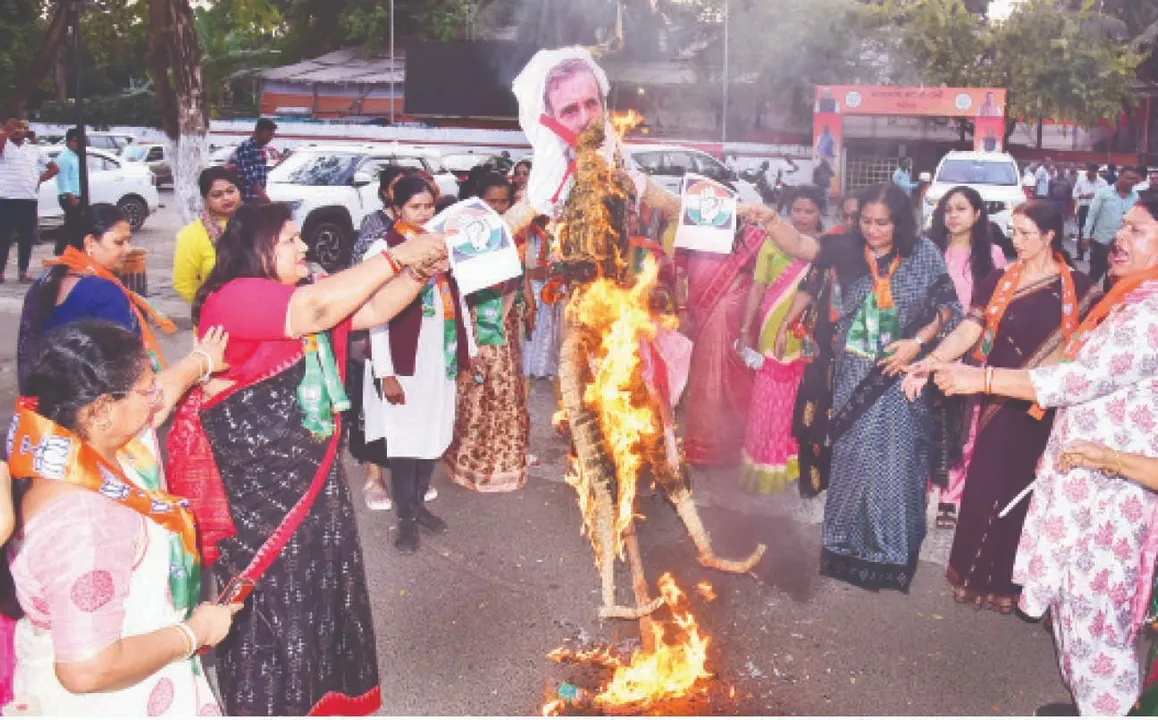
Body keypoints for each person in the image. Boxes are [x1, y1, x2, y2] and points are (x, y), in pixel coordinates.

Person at [168, 201, 447, 715]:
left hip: (315, 484)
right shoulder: (234, 298)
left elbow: (370, 311)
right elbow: (320, 309)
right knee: (272, 611)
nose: (303, 247)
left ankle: (321, 702)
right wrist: (399, 253)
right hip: (262, 497)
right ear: (258, 247)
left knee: (321, 598)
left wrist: (420, 274)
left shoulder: (293, 295)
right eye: (291, 239)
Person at [929, 192, 1158, 716]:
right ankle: (1091, 702)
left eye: (1137, 230)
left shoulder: (1150, 314)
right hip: (1081, 479)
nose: (1119, 239)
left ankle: (1109, 706)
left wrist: (979, 377)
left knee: (1098, 618)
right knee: (1073, 611)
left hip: (1110, 494)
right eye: (1121, 227)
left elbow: (1078, 378)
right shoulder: (1129, 299)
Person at [7, 319, 237, 715]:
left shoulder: (64, 443)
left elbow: (162, 393)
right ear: (100, 409)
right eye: (144, 387)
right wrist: (195, 632)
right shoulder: (85, 522)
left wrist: (201, 361)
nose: (154, 397)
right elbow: (87, 669)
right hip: (112, 700)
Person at [756, 183, 961, 591]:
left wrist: (917, 342)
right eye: (866, 221)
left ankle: (892, 554)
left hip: (902, 371)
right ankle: (843, 547)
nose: (872, 230)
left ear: (900, 223)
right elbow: (800, 245)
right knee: (853, 455)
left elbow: (948, 308)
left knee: (896, 459)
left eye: (882, 223)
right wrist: (770, 221)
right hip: (854, 371)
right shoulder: (847, 248)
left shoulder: (923, 254)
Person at [904, 200, 1095, 614]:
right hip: (994, 400)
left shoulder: (1079, 288)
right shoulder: (998, 280)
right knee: (987, 484)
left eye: (1027, 234)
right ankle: (973, 579)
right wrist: (933, 360)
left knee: (1026, 493)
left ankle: (1014, 587)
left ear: (1050, 236)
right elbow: (972, 329)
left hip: (1042, 406)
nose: (1018, 241)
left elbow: (1086, 353)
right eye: (1014, 232)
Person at [360, 176, 476, 551]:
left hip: (438, 354)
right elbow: (374, 313)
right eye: (415, 207)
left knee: (434, 435)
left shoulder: (444, 243)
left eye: (429, 206)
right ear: (397, 208)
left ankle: (418, 507)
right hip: (402, 359)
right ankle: (405, 518)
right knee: (405, 440)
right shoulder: (384, 248)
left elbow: (457, 301)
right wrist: (385, 372)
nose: (424, 214)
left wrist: (466, 351)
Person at [16, 204, 175, 394]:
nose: (128, 249)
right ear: (90, 242)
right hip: (90, 408)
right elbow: (127, 366)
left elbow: (27, 350)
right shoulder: (104, 292)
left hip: (44, 403)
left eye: (128, 241)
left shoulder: (46, 278)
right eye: (119, 242)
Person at [925, 186, 1007, 528]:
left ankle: (950, 498)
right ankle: (922, 489)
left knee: (964, 427)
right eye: (948, 209)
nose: (953, 216)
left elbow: (996, 312)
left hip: (972, 353)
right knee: (928, 421)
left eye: (961, 208)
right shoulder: (929, 251)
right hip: (931, 347)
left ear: (977, 214)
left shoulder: (994, 256)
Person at [445, 173, 530, 492]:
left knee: (504, 387)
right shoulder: (462, 236)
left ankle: (503, 465)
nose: (497, 208)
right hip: (471, 320)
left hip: (503, 323)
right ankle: (468, 463)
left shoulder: (514, 237)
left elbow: (516, 283)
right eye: (490, 201)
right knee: (477, 388)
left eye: (503, 202)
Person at [737, 185, 824, 493]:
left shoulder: (822, 250)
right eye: (797, 210)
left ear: (820, 214)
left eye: (809, 211)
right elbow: (758, 288)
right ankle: (764, 463)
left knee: (797, 401)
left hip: (807, 333)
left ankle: (792, 462)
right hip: (771, 329)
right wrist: (746, 329)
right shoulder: (771, 244)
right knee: (768, 397)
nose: (802, 217)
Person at [782, 194, 860, 497]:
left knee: (849, 410)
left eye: (861, 217)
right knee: (813, 405)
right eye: (850, 216)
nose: (855, 223)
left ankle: (847, 484)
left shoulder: (880, 251)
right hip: (823, 341)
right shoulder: (833, 243)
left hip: (858, 347)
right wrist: (787, 322)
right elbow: (810, 285)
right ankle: (813, 481)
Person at [349, 164, 414, 511]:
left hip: (413, 332)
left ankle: (407, 477)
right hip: (373, 326)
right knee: (373, 409)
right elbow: (361, 281)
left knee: (404, 409)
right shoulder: (377, 232)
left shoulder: (426, 235)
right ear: (390, 194)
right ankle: (374, 478)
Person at [679, 221, 763, 467]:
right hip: (704, 309)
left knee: (736, 371)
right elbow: (681, 270)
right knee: (706, 373)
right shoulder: (692, 229)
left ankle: (735, 442)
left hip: (737, 308)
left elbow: (763, 274)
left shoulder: (752, 233)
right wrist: (683, 307)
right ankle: (706, 444)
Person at [171, 167, 241, 303]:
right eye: (217, 195)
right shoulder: (191, 235)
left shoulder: (255, 224)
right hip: (215, 315)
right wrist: (210, 305)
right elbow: (184, 283)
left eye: (230, 191)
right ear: (205, 199)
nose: (226, 198)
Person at [0, 118, 57, 283]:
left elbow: (54, 168)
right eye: (15, 128)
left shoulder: (34, 149)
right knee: (3, 237)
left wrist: (38, 179)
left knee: (26, 237)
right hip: (6, 198)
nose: (18, 131)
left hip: (28, 199)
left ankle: (23, 272)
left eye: (21, 128)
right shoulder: (5, 146)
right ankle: (1, 272)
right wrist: (6, 132)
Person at [1083, 165, 1141, 290]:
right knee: (1095, 273)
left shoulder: (1135, 197)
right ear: (1119, 177)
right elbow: (1092, 215)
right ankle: (1083, 300)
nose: (1131, 181)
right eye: (1128, 178)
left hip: (1122, 245)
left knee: (1113, 276)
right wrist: (1086, 236)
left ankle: (1106, 303)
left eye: (1133, 179)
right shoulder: (1104, 193)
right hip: (1102, 241)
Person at [232, 118, 276, 204]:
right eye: (268, 134)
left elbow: (260, 176)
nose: (270, 138)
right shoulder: (246, 147)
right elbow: (249, 176)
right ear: (258, 131)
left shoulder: (261, 148)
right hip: (247, 198)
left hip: (258, 198)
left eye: (272, 135)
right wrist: (263, 197)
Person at [52, 128, 82, 256]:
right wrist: (71, 198)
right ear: (68, 142)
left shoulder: (76, 156)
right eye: (75, 141)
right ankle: (60, 250)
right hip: (69, 197)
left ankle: (69, 250)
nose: (78, 144)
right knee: (71, 224)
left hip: (77, 195)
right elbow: (62, 180)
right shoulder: (64, 158)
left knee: (74, 224)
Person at [1072, 163, 1108, 261]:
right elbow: (1074, 194)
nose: (1090, 172)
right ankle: (1080, 254)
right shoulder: (1081, 181)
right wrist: (1083, 196)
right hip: (1084, 207)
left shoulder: (1102, 183)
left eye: (1092, 170)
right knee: (1082, 230)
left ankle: (1093, 255)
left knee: (1094, 231)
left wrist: (1095, 196)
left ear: (1096, 171)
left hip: (1097, 209)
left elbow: (1106, 196)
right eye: (1089, 170)